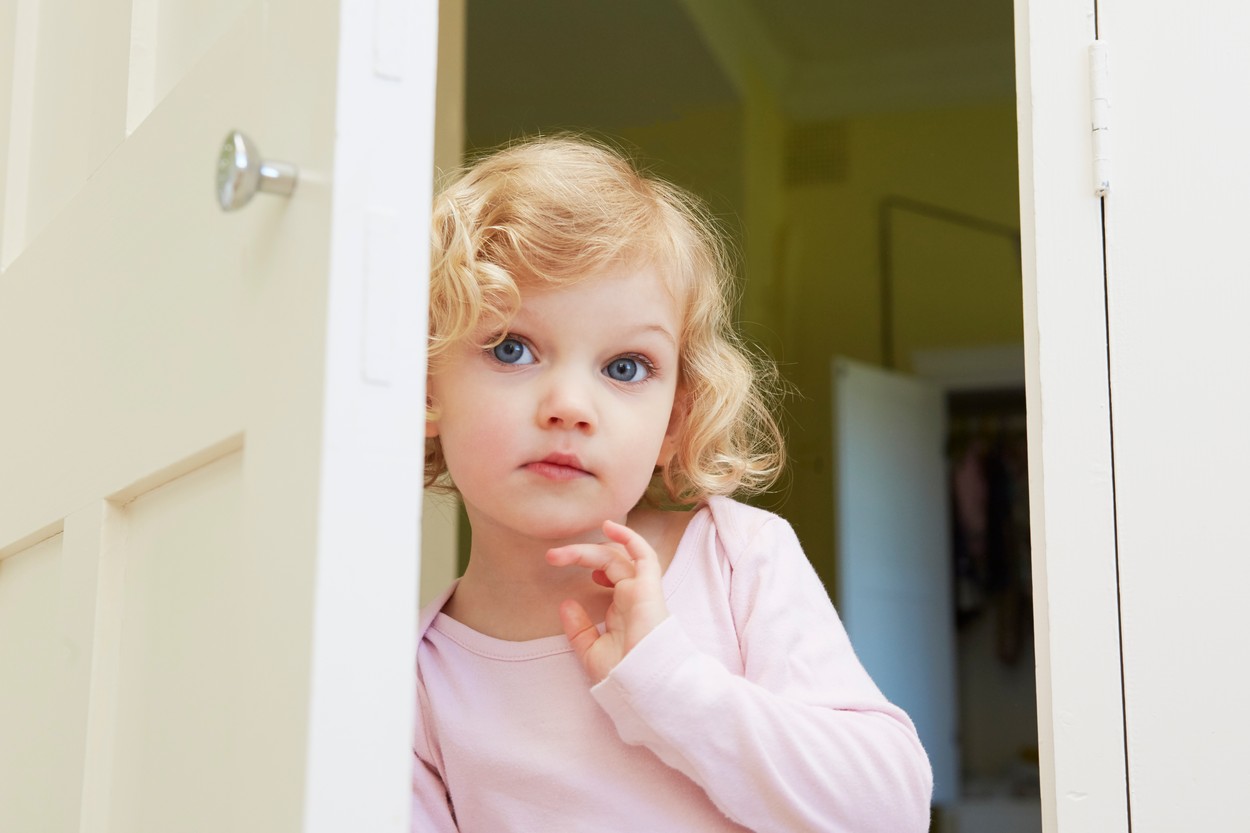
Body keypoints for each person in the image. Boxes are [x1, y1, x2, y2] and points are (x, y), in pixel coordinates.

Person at [413, 135, 932, 832]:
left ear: (674, 421)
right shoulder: (418, 682)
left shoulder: (737, 557)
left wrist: (668, 683)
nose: (570, 405)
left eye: (625, 367)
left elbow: (890, 812)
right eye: (513, 349)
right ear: (426, 385)